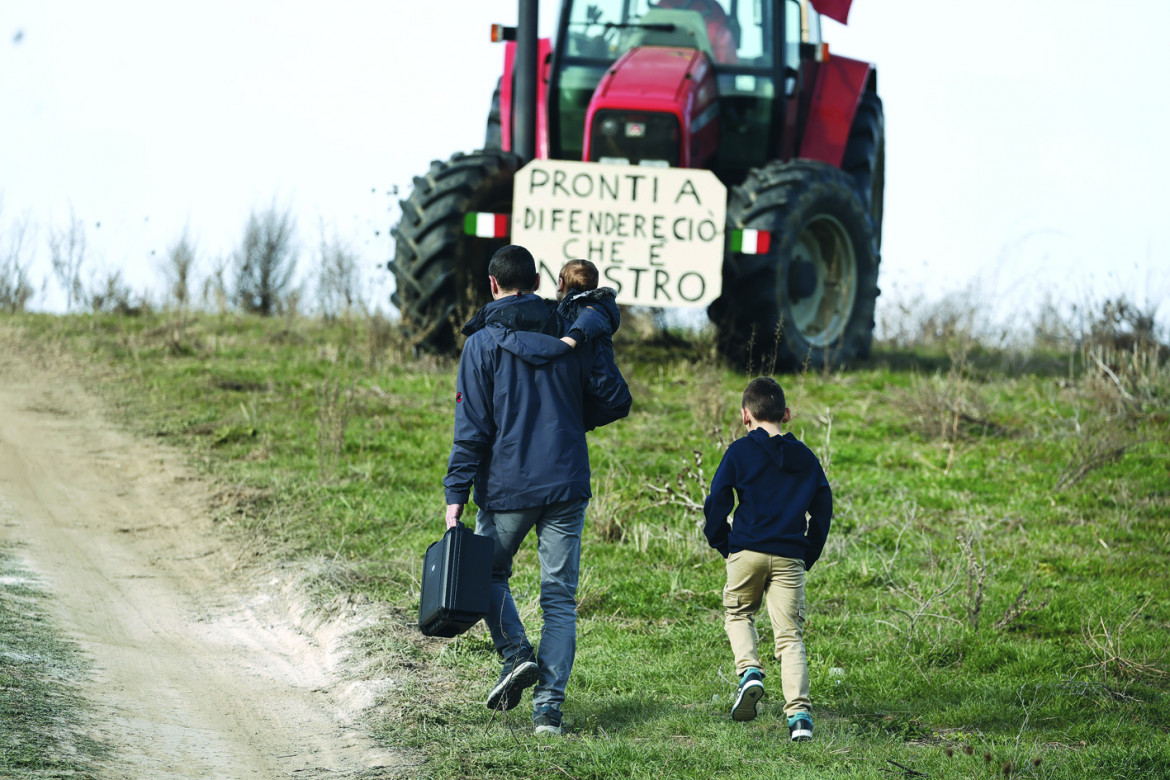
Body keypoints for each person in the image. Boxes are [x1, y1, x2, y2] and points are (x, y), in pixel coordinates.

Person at [444, 245, 631, 737]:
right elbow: (612, 397)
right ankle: (548, 709)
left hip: (508, 486)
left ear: (493, 285)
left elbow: (473, 428)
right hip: (567, 480)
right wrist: (571, 420)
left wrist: (455, 493)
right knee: (560, 600)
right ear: (535, 279)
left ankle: (515, 654)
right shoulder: (571, 325)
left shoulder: (483, 343)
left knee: (484, 573)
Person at [702, 377, 832, 742]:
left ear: (746, 416)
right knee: (790, 638)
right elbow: (823, 509)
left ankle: (750, 673)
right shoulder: (806, 458)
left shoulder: (739, 452)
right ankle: (800, 719)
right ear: (786, 414)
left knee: (739, 614)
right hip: (790, 556)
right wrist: (809, 552)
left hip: (746, 551)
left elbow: (717, 499)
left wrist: (722, 541)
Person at [555, 259, 622, 429]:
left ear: (560, 284)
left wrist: (571, 339)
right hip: (593, 386)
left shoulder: (591, 306)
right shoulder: (574, 307)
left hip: (602, 389)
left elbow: (592, 317)